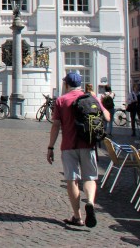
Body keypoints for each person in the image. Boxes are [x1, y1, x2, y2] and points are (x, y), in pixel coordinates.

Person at [47, 72, 110, 228]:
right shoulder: (90, 98)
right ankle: (89, 201)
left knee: (72, 180)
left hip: (68, 145)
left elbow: (56, 125)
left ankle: (77, 216)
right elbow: (107, 117)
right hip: (88, 144)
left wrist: (50, 147)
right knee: (89, 178)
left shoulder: (61, 101)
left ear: (66, 84)